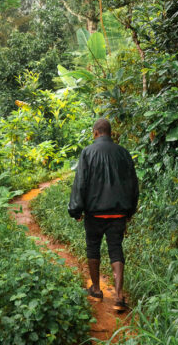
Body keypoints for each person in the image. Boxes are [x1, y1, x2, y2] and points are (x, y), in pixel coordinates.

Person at [68, 118, 138, 312]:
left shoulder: (88, 152)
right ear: (111, 133)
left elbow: (81, 183)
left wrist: (76, 209)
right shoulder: (123, 153)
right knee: (116, 249)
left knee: (93, 248)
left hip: (95, 214)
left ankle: (97, 290)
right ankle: (119, 296)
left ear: (95, 133)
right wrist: (130, 210)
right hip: (118, 214)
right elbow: (133, 184)